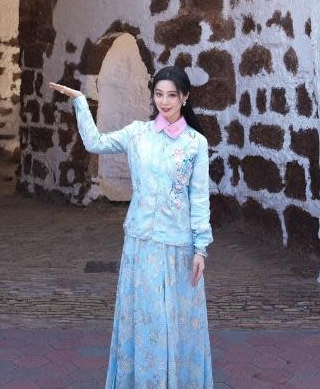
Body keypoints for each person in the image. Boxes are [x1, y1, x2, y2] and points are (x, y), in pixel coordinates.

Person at [49, 66, 214, 388]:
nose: (164, 102)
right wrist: (81, 101)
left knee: (179, 323)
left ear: (185, 97)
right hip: (140, 243)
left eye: (171, 95)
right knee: (146, 320)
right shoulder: (137, 133)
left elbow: (200, 197)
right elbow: (95, 142)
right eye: (158, 94)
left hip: (179, 245)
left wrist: (200, 248)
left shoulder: (196, 143)